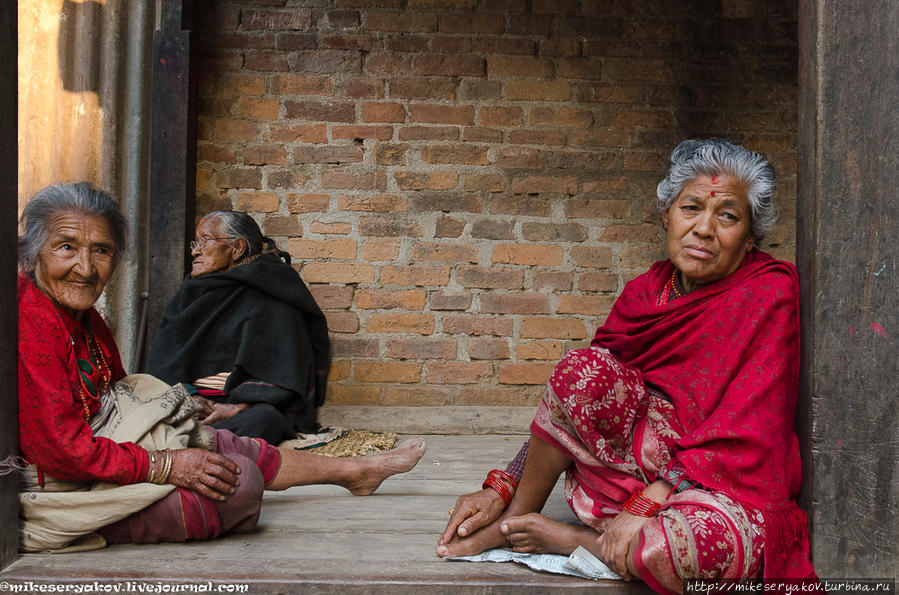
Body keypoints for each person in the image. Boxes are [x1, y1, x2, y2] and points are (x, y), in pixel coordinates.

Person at [436, 139, 817, 593]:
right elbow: (566, 406)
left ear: (751, 235)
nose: (704, 228)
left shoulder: (767, 293)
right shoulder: (646, 292)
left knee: (677, 551)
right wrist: (503, 486)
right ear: (666, 214)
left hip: (717, 486)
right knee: (582, 370)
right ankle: (518, 517)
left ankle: (580, 541)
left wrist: (650, 505)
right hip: (630, 475)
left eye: (728, 216)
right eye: (691, 207)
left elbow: (748, 424)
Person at [15, 182, 426, 552]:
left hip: (204, 414)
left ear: (237, 250)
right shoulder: (33, 319)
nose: (85, 268)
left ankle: (355, 471)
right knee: (238, 481)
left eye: (101, 251)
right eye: (66, 247)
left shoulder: (83, 315)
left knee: (232, 440)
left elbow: (122, 390)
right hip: (59, 479)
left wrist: (205, 409)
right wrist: (169, 459)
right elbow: (64, 445)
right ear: (33, 251)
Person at [146, 210, 329, 444]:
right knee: (144, 409)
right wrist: (189, 398)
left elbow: (287, 371)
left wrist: (237, 408)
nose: (195, 250)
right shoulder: (191, 293)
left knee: (265, 420)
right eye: (196, 242)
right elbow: (162, 364)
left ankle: (194, 442)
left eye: (205, 240)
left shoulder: (272, 293)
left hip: (243, 409)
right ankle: (201, 441)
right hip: (187, 402)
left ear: (237, 248)